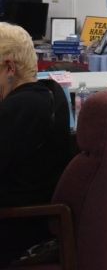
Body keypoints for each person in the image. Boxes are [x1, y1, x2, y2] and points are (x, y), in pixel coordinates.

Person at [0, 22, 74, 266]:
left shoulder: (20, 108)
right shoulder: (50, 93)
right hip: (38, 221)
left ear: (9, 67)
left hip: (16, 228)